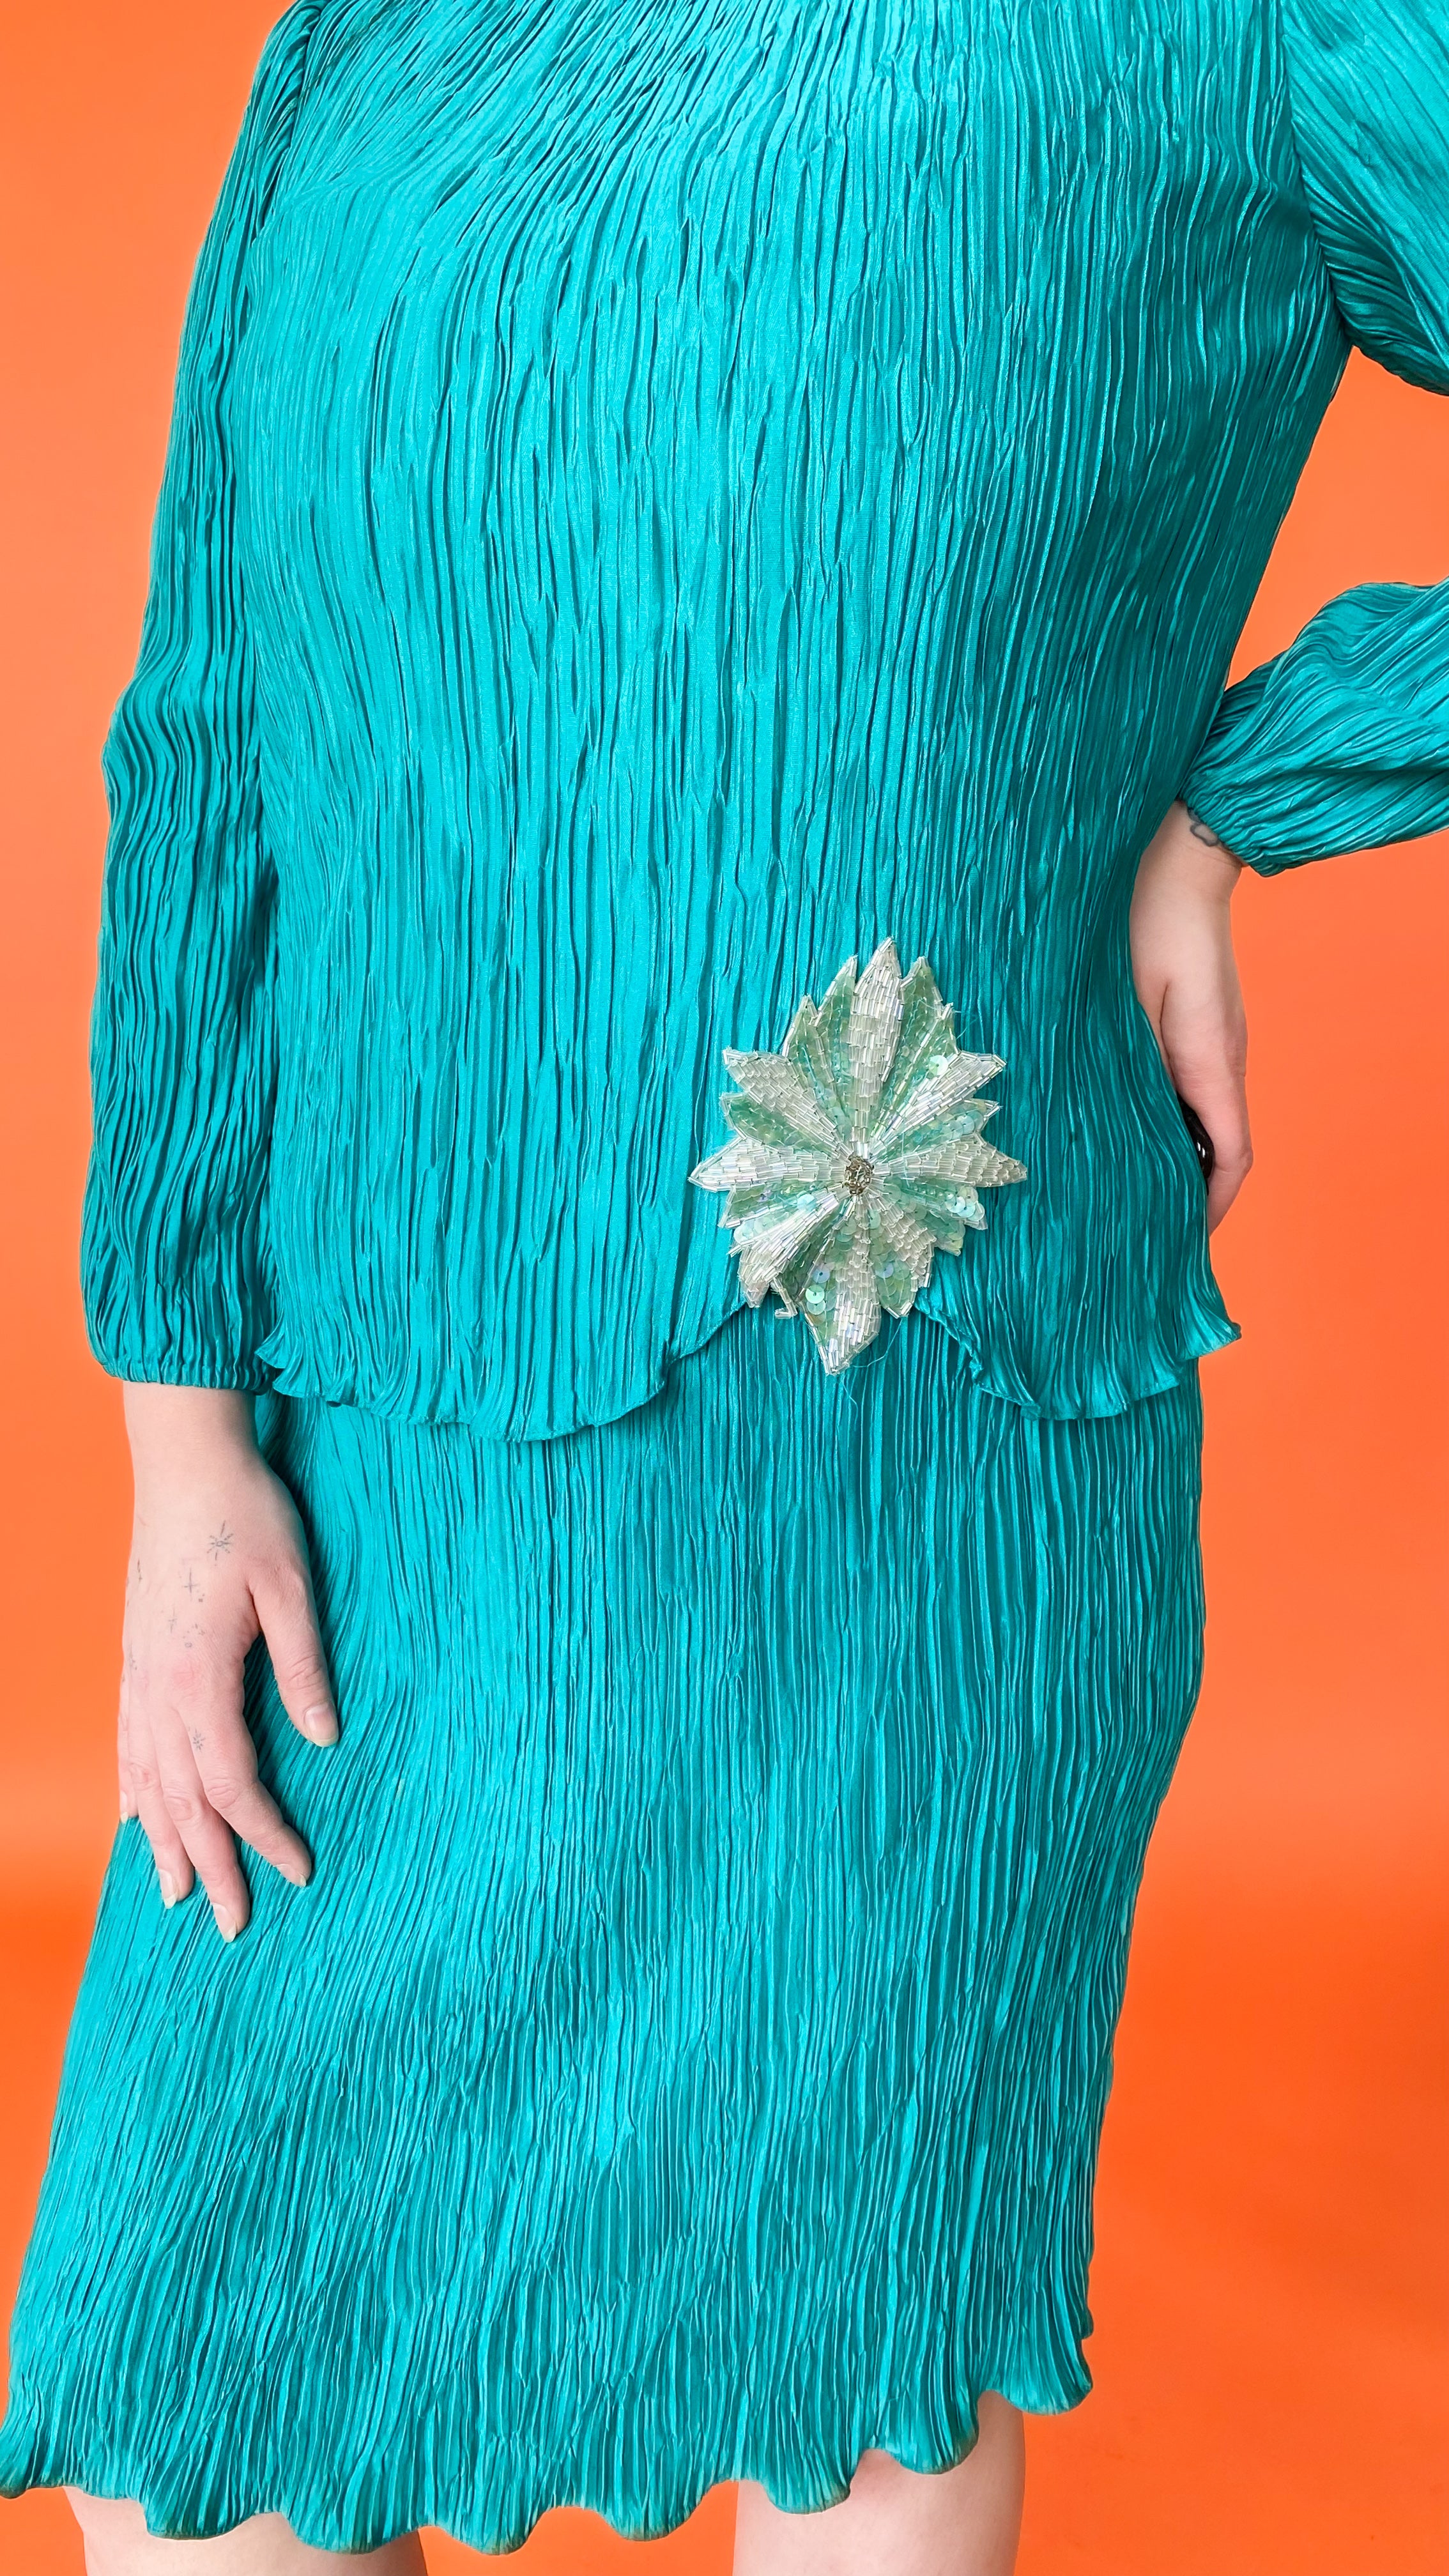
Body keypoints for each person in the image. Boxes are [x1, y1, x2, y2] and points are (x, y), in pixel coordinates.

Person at [4, 2, 1447, 2570]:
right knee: (199, 2400)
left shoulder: (1242, 32)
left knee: (856, 2352)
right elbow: (206, 742)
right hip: (370, 1460)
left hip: (901, 1460)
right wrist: (181, 1437)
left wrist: (1242, 800)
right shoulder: (367, 46)